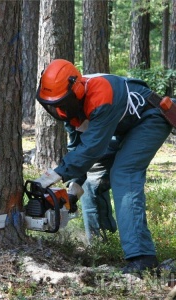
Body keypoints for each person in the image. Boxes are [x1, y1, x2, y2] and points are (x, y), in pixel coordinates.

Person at [34, 59, 173, 275]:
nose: (57, 108)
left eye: (61, 102)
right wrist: (73, 188)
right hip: (120, 126)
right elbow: (78, 146)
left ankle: (142, 256)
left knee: (123, 172)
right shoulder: (67, 107)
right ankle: (101, 245)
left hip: (149, 117)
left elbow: (92, 148)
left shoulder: (102, 94)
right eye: (52, 103)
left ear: (75, 90)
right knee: (92, 182)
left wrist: (54, 174)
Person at [65, 121, 118, 243]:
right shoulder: (66, 112)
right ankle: (99, 242)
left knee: (94, 181)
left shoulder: (101, 106)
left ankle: (103, 242)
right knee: (87, 184)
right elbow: (75, 145)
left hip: (126, 133)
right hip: (102, 135)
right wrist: (74, 183)